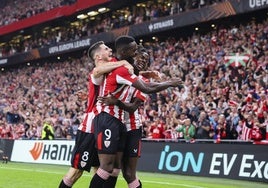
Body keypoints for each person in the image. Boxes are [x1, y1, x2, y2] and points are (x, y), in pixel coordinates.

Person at [89, 35, 182, 188]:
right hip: (110, 118)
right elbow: (98, 70)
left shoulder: (139, 78)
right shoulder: (121, 68)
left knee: (124, 172)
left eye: (145, 61)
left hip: (130, 127)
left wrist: (118, 101)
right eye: (139, 57)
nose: (141, 62)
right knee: (109, 167)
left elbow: (134, 105)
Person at [58, 41, 134, 188]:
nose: (110, 50)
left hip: (107, 121)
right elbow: (97, 72)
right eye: (106, 49)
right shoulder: (98, 70)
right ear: (98, 56)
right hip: (91, 124)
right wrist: (124, 62)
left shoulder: (113, 66)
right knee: (76, 171)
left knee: (104, 169)